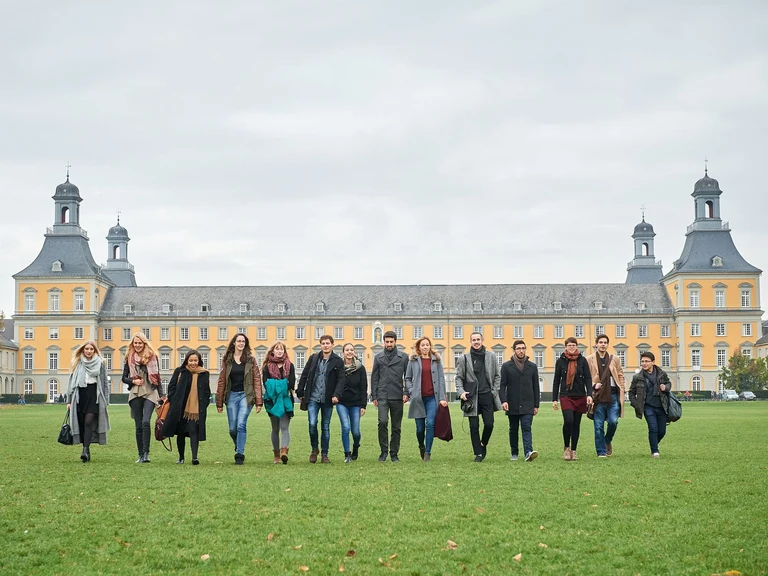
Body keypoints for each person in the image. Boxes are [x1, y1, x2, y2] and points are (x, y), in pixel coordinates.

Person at [216, 333, 263, 465]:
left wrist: (259, 401)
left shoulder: (250, 360)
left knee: (241, 424)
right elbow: (221, 381)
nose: (241, 343)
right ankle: (238, 445)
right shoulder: (227, 360)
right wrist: (219, 402)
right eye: (239, 341)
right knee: (232, 428)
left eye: (243, 341)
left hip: (245, 395)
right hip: (231, 395)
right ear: (234, 343)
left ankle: (240, 454)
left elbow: (256, 380)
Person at [455, 332, 502, 462]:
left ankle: (483, 444)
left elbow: (498, 375)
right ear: (470, 342)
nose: (476, 342)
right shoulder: (464, 358)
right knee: (473, 427)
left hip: (487, 395)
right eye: (473, 340)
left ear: (482, 340)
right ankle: (478, 454)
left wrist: (494, 391)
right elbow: (459, 378)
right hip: (471, 397)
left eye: (478, 339)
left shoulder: (491, 356)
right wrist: (461, 392)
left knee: (489, 424)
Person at [297, 334, 344, 463]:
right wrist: (300, 391)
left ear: (332, 344)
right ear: (320, 345)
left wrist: (337, 395)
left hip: (328, 398)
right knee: (312, 424)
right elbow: (305, 374)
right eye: (323, 343)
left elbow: (341, 380)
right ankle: (314, 449)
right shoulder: (313, 358)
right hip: (313, 397)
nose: (325, 345)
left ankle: (324, 453)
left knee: (325, 427)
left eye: (327, 343)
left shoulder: (338, 361)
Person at [163, 350, 210, 465]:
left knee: (194, 430)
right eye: (191, 360)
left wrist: (203, 404)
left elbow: (206, 391)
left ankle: (195, 457)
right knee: (180, 433)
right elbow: (171, 387)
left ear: (199, 361)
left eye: (195, 360)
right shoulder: (180, 371)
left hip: (196, 409)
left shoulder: (204, 373)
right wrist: (174, 400)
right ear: (186, 360)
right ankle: (181, 457)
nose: (193, 363)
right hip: (180, 408)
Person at [122, 333, 163, 464]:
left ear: (144, 343)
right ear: (133, 344)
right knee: (138, 425)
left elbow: (157, 377)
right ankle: (140, 454)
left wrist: (161, 396)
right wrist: (133, 382)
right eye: (135, 343)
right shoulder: (129, 357)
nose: (138, 345)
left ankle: (146, 453)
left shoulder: (152, 357)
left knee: (146, 422)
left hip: (150, 391)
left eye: (140, 343)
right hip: (135, 392)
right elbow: (124, 378)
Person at [66, 340, 110, 463]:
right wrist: (69, 401)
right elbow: (71, 383)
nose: (89, 351)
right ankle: (86, 448)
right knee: (81, 423)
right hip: (80, 395)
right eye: (87, 349)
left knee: (89, 421)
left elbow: (105, 383)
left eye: (91, 349)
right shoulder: (78, 363)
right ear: (83, 350)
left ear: (95, 351)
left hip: (94, 395)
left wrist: (106, 400)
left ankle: (85, 450)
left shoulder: (100, 364)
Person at [405, 336, 447, 462]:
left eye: (427, 345)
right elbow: (407, 378)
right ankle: (421, 446)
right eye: (422, 345)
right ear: (419, 347)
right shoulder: (413, 361)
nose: (425, 347)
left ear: (430, 346)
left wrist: (442, 397)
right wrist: (412, 391)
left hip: (432, 398)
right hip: (418, 399)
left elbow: (441, 380)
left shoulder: (437, 361)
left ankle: (427, 453)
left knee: (430, 424)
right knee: (419, 429)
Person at [370, 330, 409, 463]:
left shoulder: (403, 357)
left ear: (395, 342)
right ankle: (383, 451)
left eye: (391, 341)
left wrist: (406, 392)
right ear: (384, 342)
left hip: (397, 395)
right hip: (382, 395)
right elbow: (374, 377)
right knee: (382, 422)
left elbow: (408, 377)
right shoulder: (378, 357)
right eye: (387, 341)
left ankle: (394, 453)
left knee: (396, 427)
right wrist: (374, 395)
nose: (389, 344)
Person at [552, 337, 593, 461]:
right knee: (568, 421)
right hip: (566, 395)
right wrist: (554, 399)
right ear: (565, 346)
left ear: (576, 346)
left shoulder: (582, 360)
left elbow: (588, 378)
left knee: (576, 424)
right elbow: (556, 381)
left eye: (573, 345)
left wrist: (589, 394)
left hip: (580, 395)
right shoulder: (560, 361)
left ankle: (574, 450)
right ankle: (566, 447)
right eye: (569, 345)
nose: (571, 347)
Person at [499, 340, 540, 462]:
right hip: (512, 403)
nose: (521, 351)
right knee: (513, 428)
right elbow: (502, 386)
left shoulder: (532, 366)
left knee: (526, 427)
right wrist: (504, 400)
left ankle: (528, 452)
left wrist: (536, 404)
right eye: (518, 348)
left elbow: (536, 386)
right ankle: (514, 452)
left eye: (523, 348)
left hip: (528, 403)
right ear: (514, 350)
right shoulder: (507, 366)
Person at [586, 334, 626, 458]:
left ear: (608, 344)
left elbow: (620, 374)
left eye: (605, 342)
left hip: (613, 395)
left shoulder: (615, 359)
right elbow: (586, 378)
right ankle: (601, 451)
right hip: (598, 397)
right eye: (601, 342)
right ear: (596, 344)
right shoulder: (589, 359)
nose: (603, 344)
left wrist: (622, 386)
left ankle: (607, 440)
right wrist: (593, 385)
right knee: (598, 426)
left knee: (613, 422)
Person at [629, 352, 672, 458]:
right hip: (648, 407)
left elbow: (668, 384)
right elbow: (631, 392)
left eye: (646, 361)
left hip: (662, 406)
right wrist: (637, 404)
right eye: (642, 361)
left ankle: (654, 444)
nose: (644, 363)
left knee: (662, 431)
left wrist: (665, 388)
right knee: (653, 429)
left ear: (653, 362)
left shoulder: (662, 374)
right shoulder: (637, 377)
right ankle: (655, 451)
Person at [333, 343, 368, 463]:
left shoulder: (360, 368)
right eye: (347, 350)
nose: (349, 352)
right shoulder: (338, 367)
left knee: (356, 431)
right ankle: (347, 454)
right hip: (342, 402)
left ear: (354, 352)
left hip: (356, 403)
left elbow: (364, 387)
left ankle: (356, 446)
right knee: (345, 427)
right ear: (343, 352)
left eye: (351, 350)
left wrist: (363, 405)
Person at [262, 341, 295, 465]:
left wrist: (275, 384)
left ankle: (284, 451)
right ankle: (276, 454)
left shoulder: (289, 365)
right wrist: (282, 384)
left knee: (285, 427)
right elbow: (266, 383)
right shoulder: (267, 367)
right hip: (272, 400)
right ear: (273, 351)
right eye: (277, 349)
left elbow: (291, 383)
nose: (280, 351)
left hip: (286, 400)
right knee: (275, 428)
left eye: (282, 349)